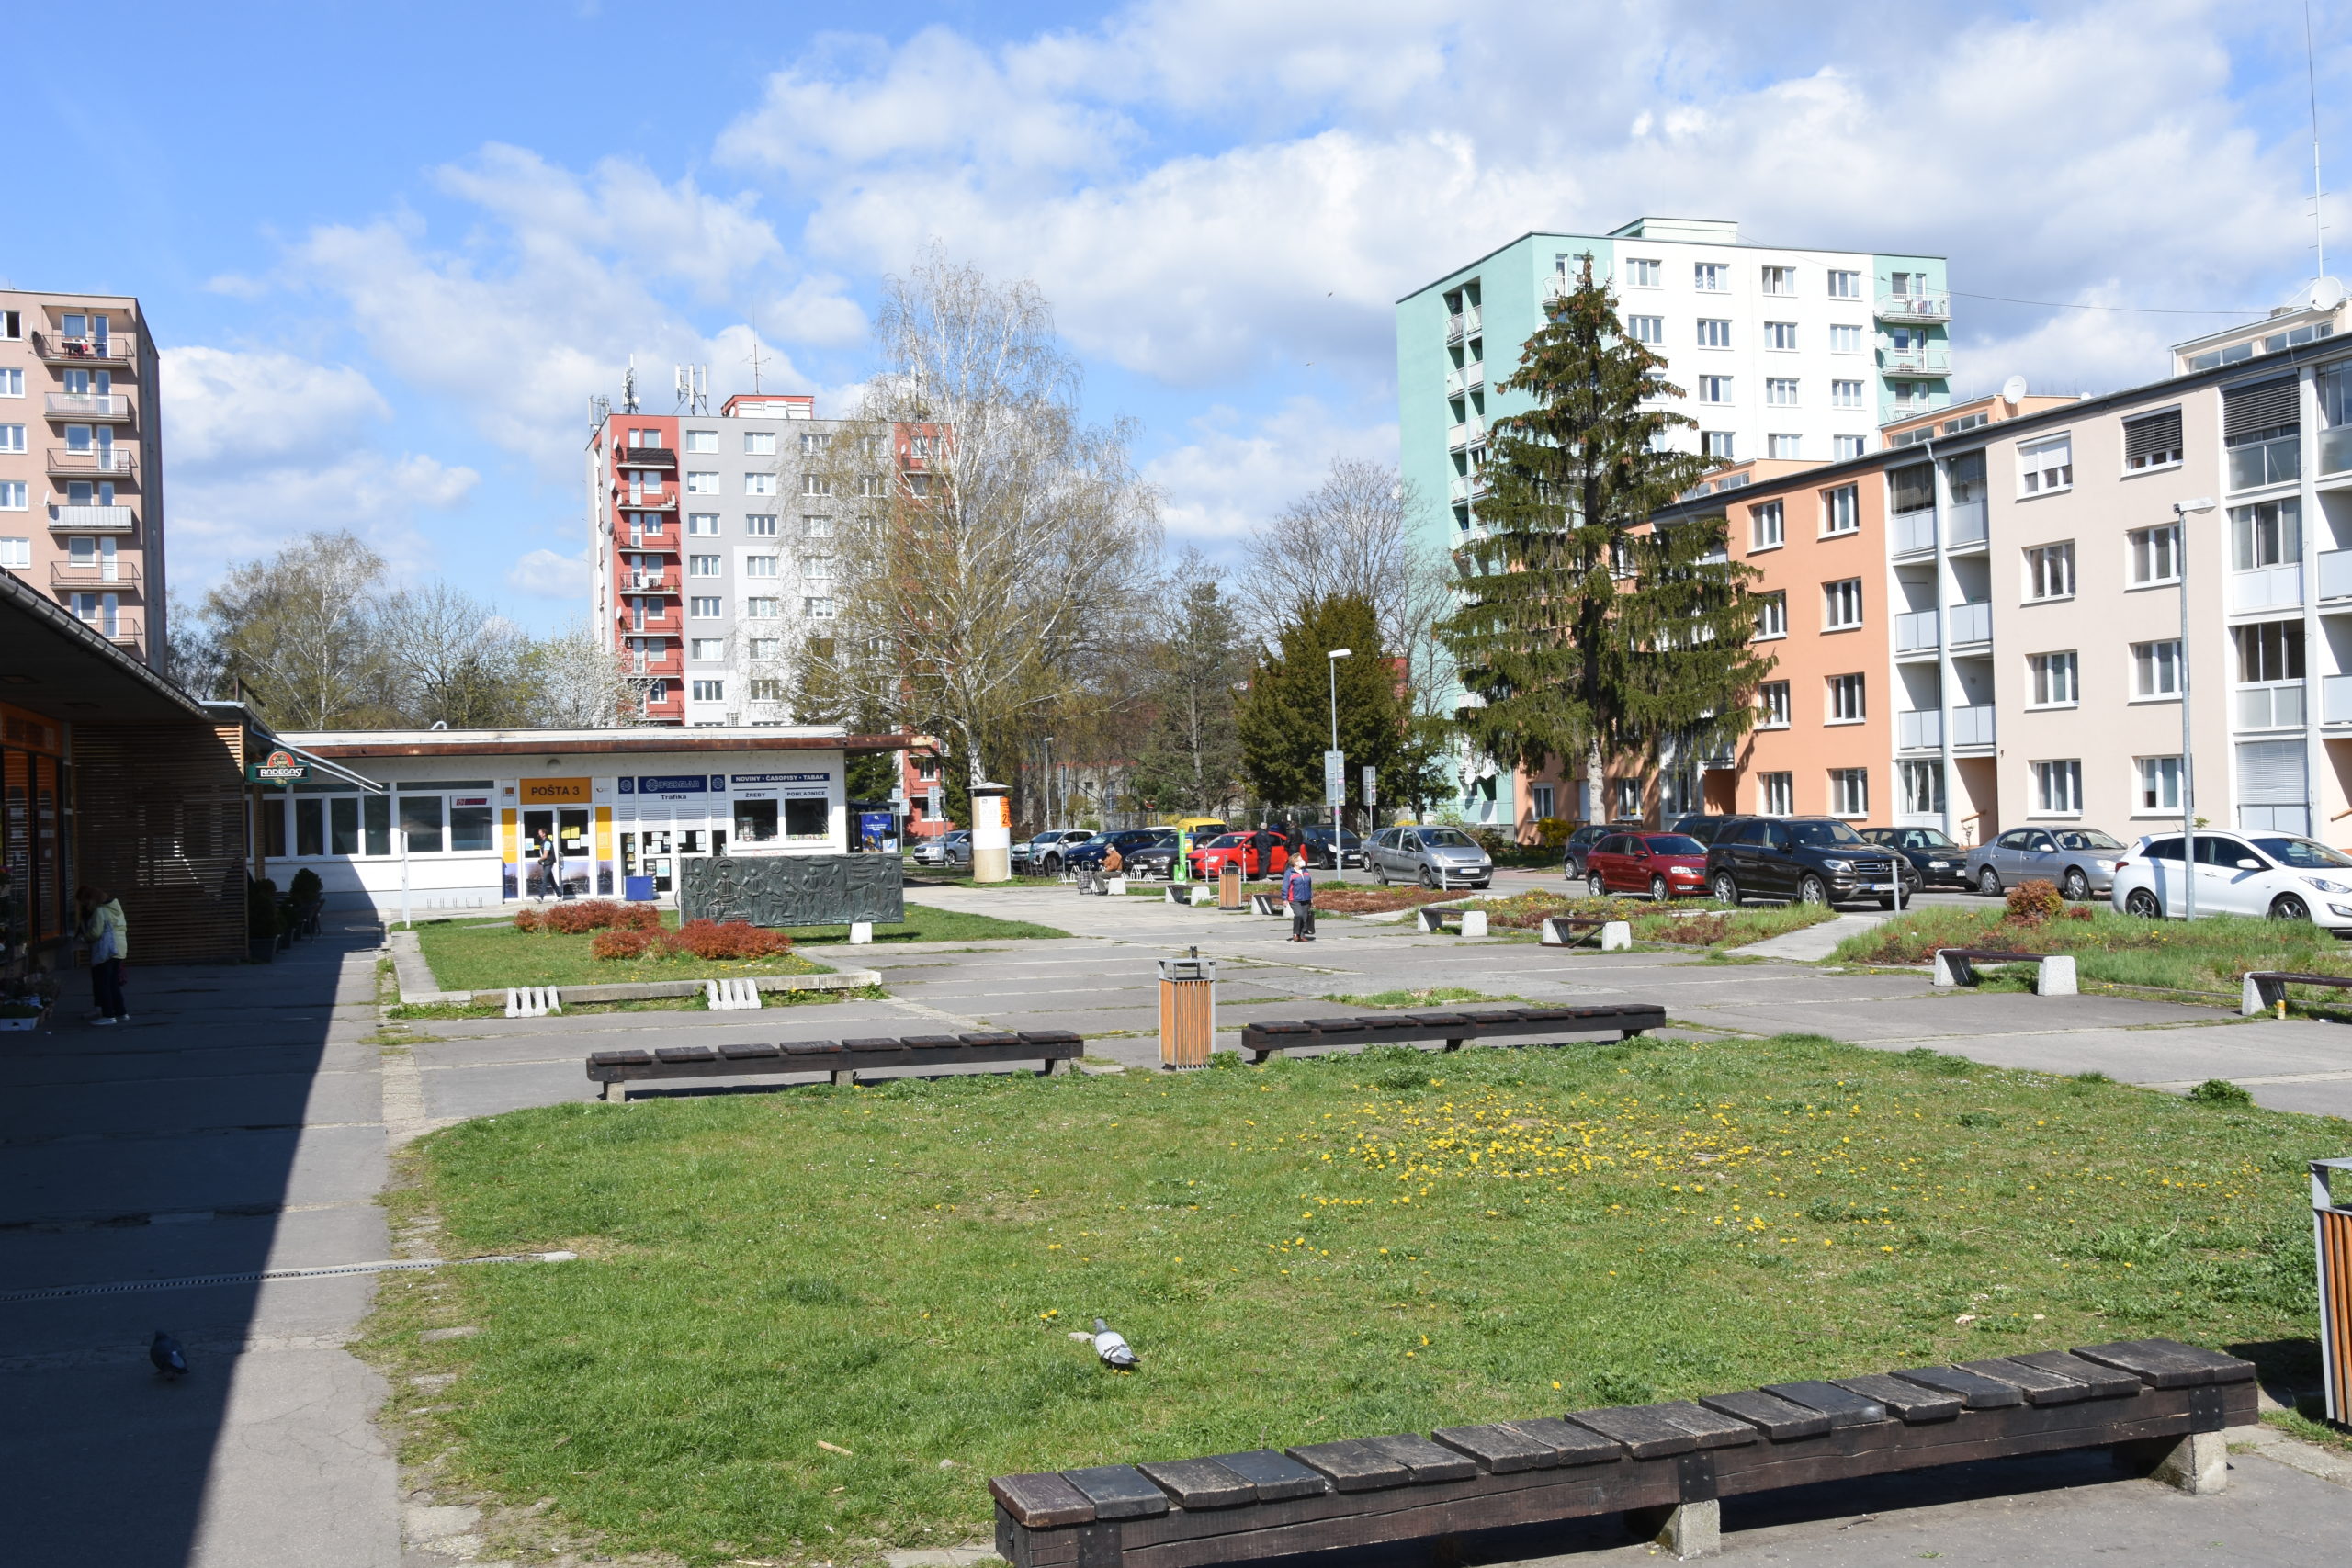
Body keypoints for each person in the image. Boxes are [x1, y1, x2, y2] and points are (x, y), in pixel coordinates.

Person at [75, 885, 129, 1024]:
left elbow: (95, 933)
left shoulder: (100, 911)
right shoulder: (116, 908)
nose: (84, 905)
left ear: (91, 900)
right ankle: (121, 1013)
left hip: (106, 951)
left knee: (103, 983)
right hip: (119, 949)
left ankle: (108, 1015)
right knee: (113, 983)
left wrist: (84, 938)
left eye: (85, 902)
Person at [1282, 857, 1316, 942]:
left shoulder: (1305, 871)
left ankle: (1302, 935)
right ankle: (1296, 934)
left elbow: (1309, 885)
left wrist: (1311, 897)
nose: (1302, 861)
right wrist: (1284, 898)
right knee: (1299, 915)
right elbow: (1285, 886)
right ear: (1295, 862)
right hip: (1294, 899)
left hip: (1306, 898)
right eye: (1300, 860)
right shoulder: (1289, 873)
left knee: (1305, 917)